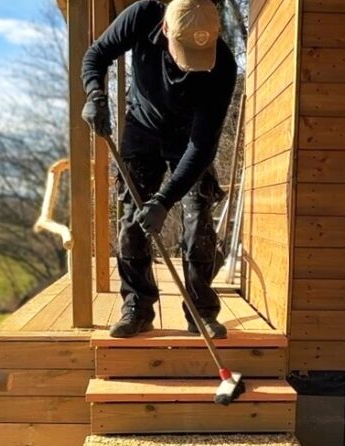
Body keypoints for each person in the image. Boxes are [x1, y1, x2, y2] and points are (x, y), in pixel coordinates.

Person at [81, 0, 237, 338]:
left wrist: (164, 201)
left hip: (190, 139)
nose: (192, 68)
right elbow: (96, 55)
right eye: (185, 53)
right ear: (165, 29)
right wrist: (94, 94)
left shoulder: (222, 66)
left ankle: (200, 312)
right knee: (132, 221)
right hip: (143, 128)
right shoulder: (142, 17)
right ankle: (137, 307)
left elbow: (202, 145)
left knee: (199, 219)